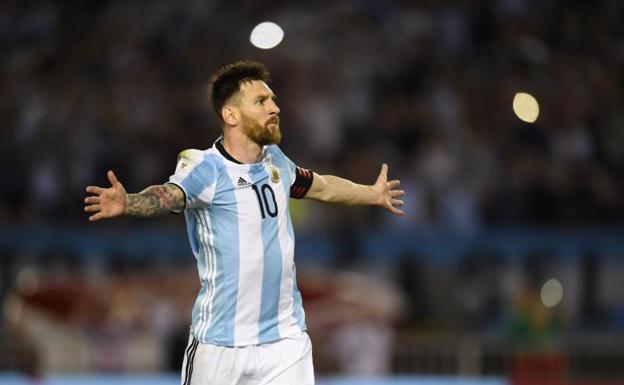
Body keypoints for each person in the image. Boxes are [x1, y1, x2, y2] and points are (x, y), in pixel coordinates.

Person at [84, 60, 405, 385]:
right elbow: (168, 195)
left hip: (285, 342)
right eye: (261, 102)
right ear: (231, 115)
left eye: (273, 100)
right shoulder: (204, 167)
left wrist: (371, 194)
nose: (275, 108)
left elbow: (320, 186)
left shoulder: (276, 161)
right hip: (221, 346)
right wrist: (130, 202)